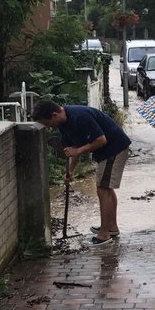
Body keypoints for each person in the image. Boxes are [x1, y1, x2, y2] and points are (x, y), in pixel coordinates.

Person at [32, 100, 132, 246]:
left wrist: (77, 151)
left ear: (54, 115)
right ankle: (111, 227)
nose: (48, 127)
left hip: (114, 148)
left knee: (103, 189)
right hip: (107, 151)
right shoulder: (63, 124)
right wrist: (70, 171)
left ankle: (104, 234)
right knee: (106, 188)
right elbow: (73, 149)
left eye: (47, 123)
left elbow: (101, 140)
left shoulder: (80, 116)